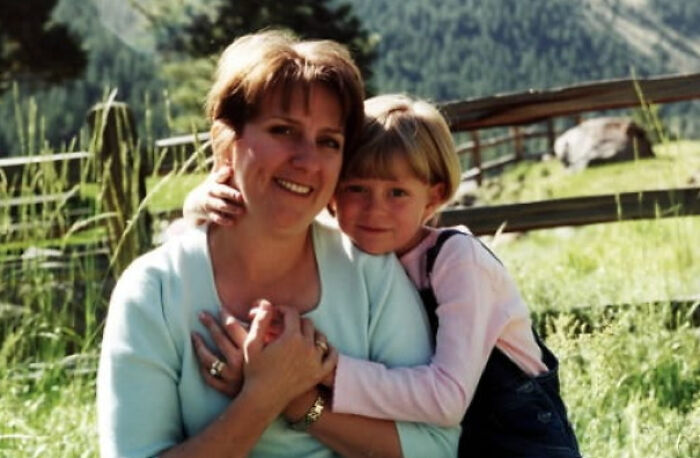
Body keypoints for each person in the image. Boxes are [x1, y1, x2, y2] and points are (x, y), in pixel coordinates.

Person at [97, 31, 459, 458]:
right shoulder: (155, 290)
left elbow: (436, 448)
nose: (307, 161)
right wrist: (263, 397)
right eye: (283, 130)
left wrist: (298, 401)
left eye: (329, 141)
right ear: (225, 144)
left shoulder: (369, 272)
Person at [187, 94, 581, 457]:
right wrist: (202, 201)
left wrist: (323, 370)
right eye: (356, 188)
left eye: (397, 193)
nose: (375, 210)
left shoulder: (457, 261)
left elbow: (448, 399)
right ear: (332, 194)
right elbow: (273, 212)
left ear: (433, 197)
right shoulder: (346, 253)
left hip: (517, 437)